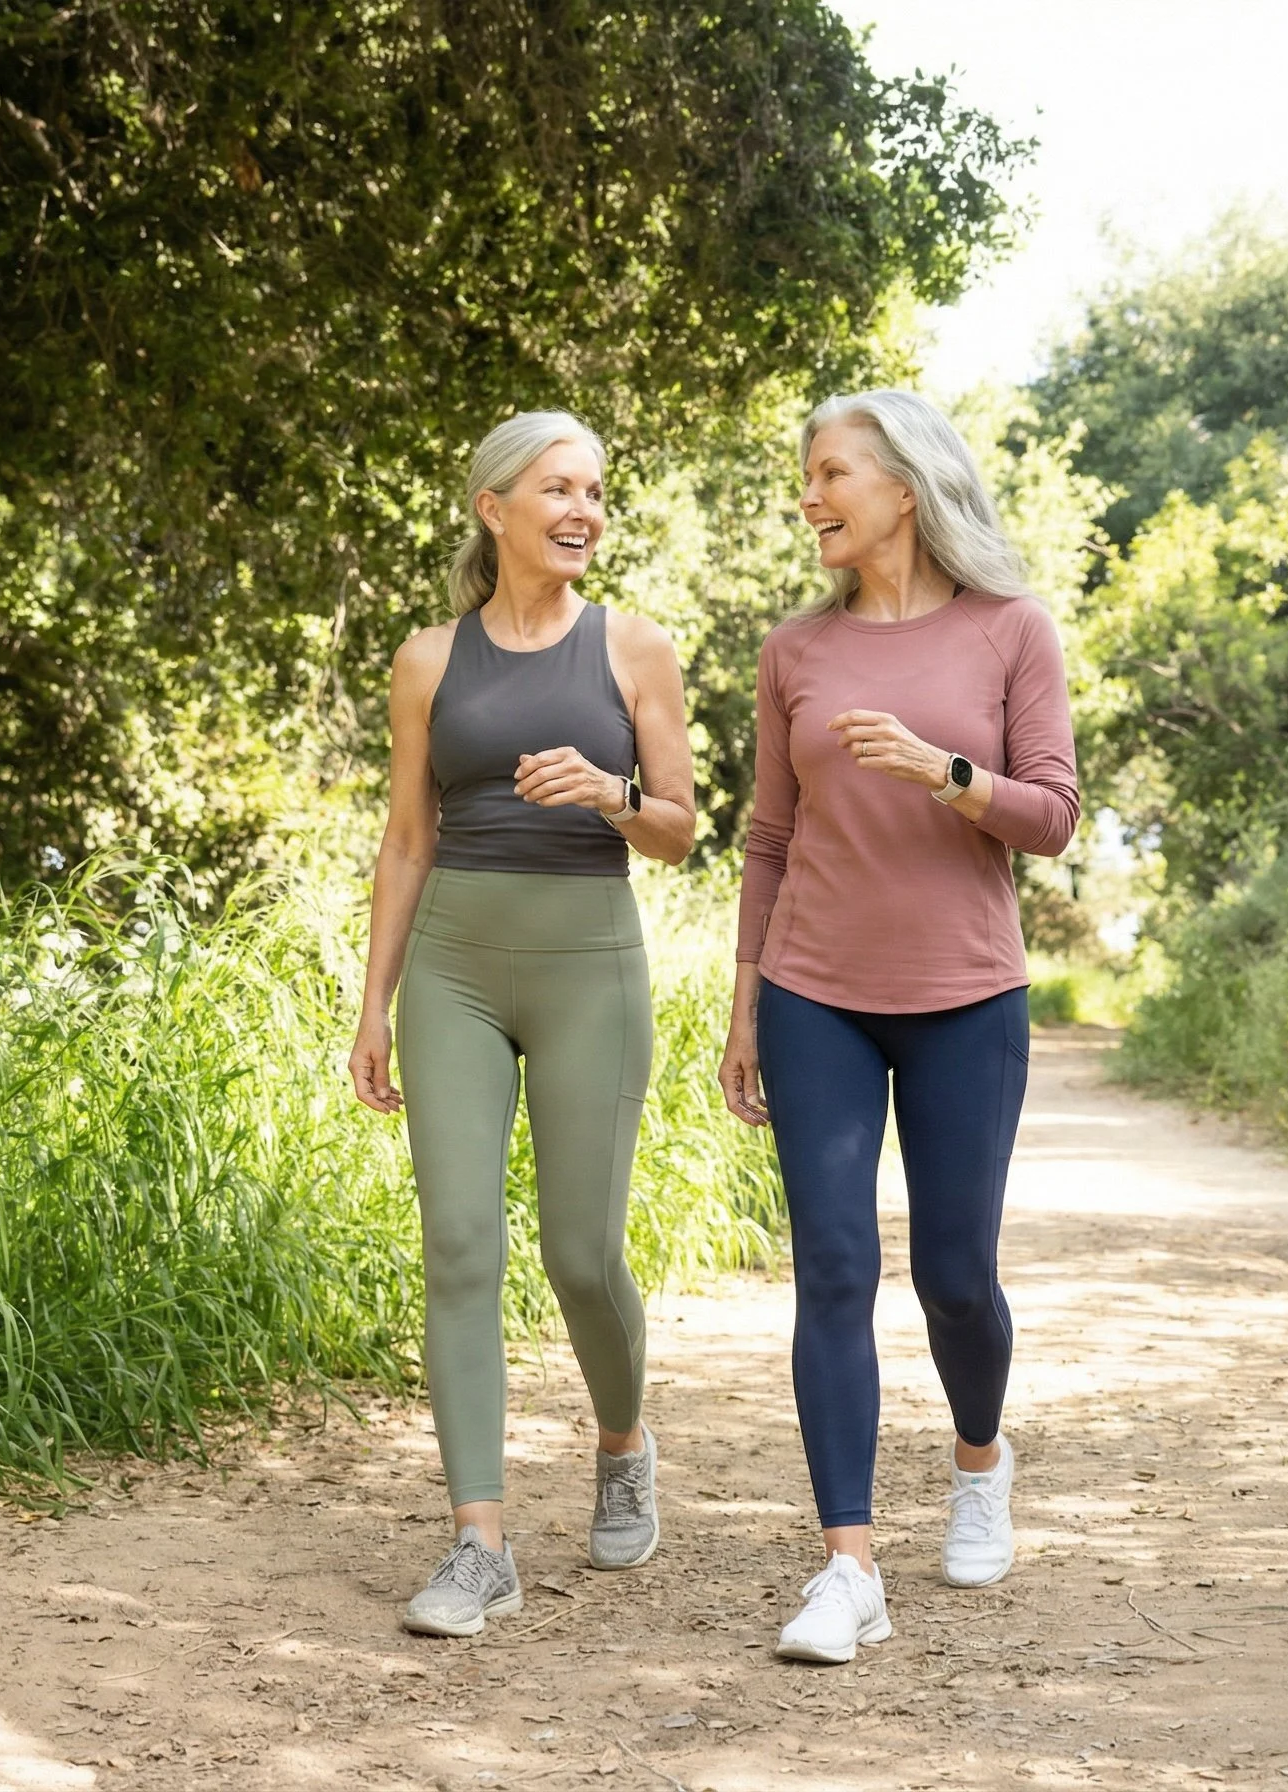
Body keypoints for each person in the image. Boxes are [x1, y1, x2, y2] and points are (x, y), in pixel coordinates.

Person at [718, 389, 1080, 1664]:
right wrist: (747, 998)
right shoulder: (794, 652)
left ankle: (980, 1460)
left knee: (954, 1276)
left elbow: (1054, 814)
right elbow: (768, 839)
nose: (808, 496)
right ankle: (847, 1565)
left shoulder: (1010, 630)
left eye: (829, 474)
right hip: (816, 986)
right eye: (806, 476)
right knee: (830, 1267)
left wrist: (947, 772)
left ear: (906, 488)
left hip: (967, 994)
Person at [349, 410, 698, 1638]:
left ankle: (621, 1441)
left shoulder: (636, 649)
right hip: (451, 966)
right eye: (558, 487)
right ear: (493, 507)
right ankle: (478, 1539)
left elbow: (681, 829)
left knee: (581, 1252)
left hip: (587, 962)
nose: (583, 509)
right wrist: (374, 1000)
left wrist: (612, 794)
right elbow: (407, 839)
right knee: (457, 1246)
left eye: (596, 490)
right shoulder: (428, 660)